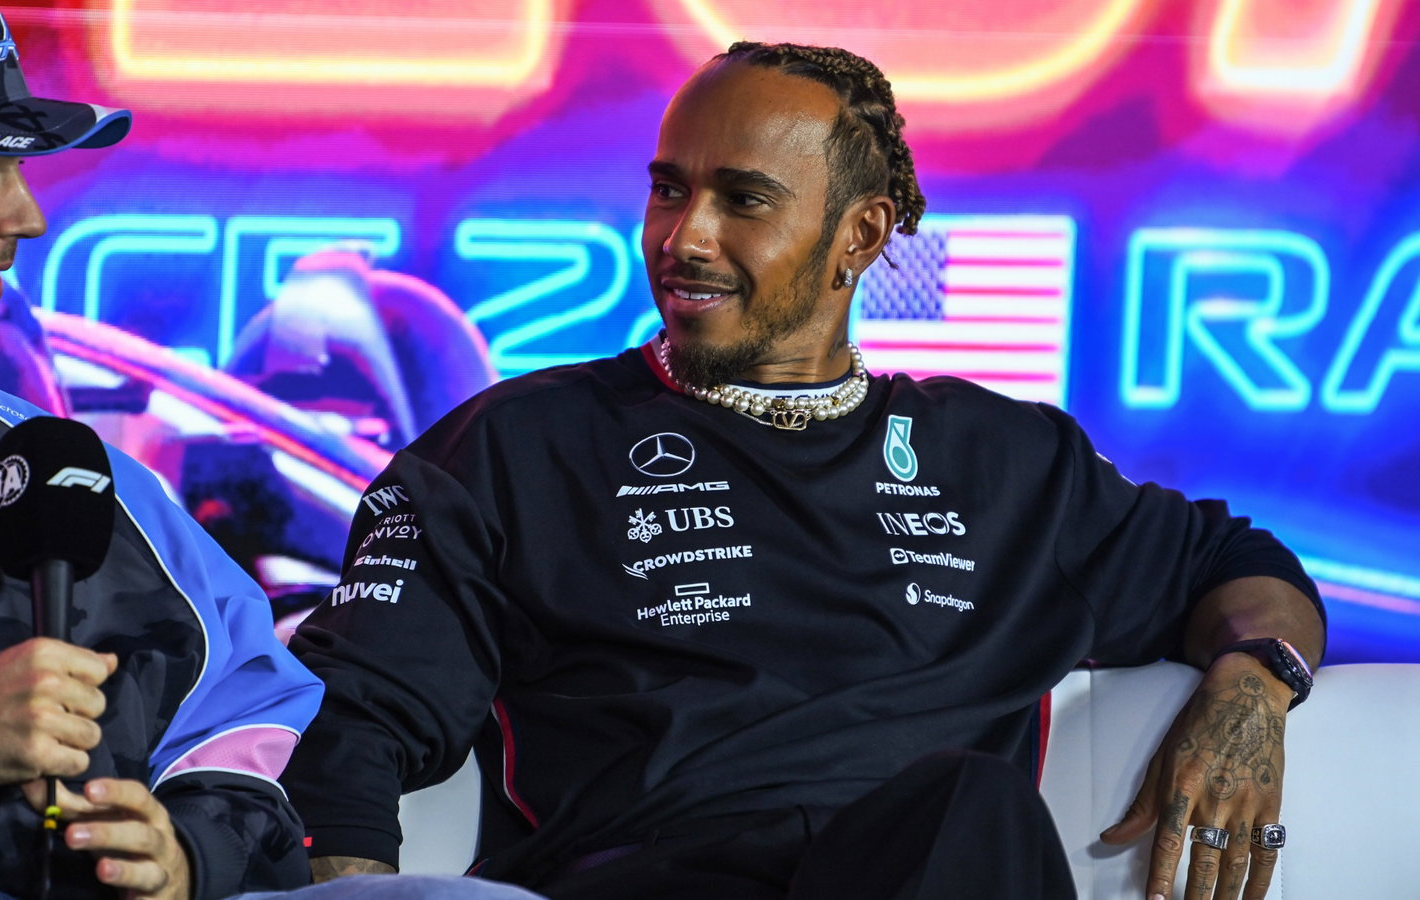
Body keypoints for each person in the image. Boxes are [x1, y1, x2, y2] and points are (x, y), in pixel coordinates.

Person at [282, 41, 1326, 900]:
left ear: (858, 236)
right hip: (648, 879)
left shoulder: (1006, 463)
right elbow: (351, 725)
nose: (683, 238)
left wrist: (1253, 685)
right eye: (668, 190)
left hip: (927, 868)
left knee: (969, 807)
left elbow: (1237, 568)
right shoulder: (515, 447)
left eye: (743, 200)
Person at [0, 1, 330, 897]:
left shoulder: (67, 470)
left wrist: (186, 853)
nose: (26, 216)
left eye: (18, 170)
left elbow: (251, 717)